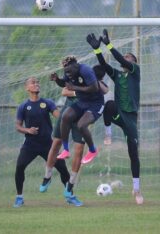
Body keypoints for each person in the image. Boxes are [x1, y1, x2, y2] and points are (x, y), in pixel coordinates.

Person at [86, 29, 143, 205]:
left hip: (130, 119)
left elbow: (117, 58)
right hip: (118, 113)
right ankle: (108, 132)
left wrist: (109, 44)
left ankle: (136, 188)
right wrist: (97, 49)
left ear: (133, 62)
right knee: (109, 104)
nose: (125, 58)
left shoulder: (135, 72)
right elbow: (104, 64)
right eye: (124, 56)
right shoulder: (117, 75)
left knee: (133, 153)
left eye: (128, 57)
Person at [40, 64, 109, 207]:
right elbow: (64, 91)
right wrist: (78, 90)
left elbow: (103, 89)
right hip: (69, 110)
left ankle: (70, 188)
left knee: (78, 151)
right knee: (55, 144)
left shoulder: (90, 80)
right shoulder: (74, 76)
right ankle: (47, 176)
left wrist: (82, 91)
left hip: (83, 113)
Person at [14, 77, 70, 208]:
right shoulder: (23, 106)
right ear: (27, 88)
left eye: (37, 82)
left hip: (48, 145)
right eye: (33, 83)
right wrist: (27, 130)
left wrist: (69, 116)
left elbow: (60, 117)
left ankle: (70, 195)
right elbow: (18, 126)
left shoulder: (48, 103)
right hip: (30, 145)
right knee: (19, 167)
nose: (36, 84)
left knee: (63, 169)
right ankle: (19, 197)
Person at [51, 56, 104, 164]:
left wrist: (75, 88)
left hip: (95, 104)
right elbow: (64, 84)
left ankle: (92, 150)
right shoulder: (68, 70)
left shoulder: (86, 70)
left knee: (81, 125)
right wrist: (57, 80)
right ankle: (65, 150)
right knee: (65, 116)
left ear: (76, 65)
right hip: (82, 102)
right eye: (66, 72)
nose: (68, 74)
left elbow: (95, 88)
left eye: (70, 72)